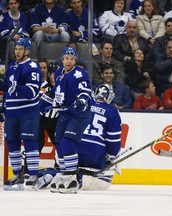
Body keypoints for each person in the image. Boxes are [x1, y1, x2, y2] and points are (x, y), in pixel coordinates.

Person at [37, 83, 122, 190]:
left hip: (70, 148)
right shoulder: (112, 111)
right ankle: (79, 179)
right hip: (93, 154)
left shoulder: (81, 105)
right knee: (104, 182)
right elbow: (113, 140)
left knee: (64, 164)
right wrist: (110, 158)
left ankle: (53, 174)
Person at [41, 47, 92, 194]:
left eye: (72, 58)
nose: (68, 61)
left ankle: (72, 178)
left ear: (75, 60)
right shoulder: (58, 73)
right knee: (59, 144)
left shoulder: (80, 73)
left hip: (79, 114)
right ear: (62, 59)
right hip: (64, 113)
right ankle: (64, 174)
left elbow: (85, 92)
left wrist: (79, 102)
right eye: (66, 58)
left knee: (68, 142)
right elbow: (55, 92)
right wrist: (44, 102)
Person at [0, 38, 42, 190]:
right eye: (16, 49)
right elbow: (7, 91)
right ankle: (17, 174)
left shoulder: (32, 66)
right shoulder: (11, 66)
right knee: (12, 142)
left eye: (20, 49)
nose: (17, 52)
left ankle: (33, 175)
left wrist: (12, 87)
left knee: (29, 141)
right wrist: (2, 106)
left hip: (28, 110)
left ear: (27, 51)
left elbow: (32, 92)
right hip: (11, 112)